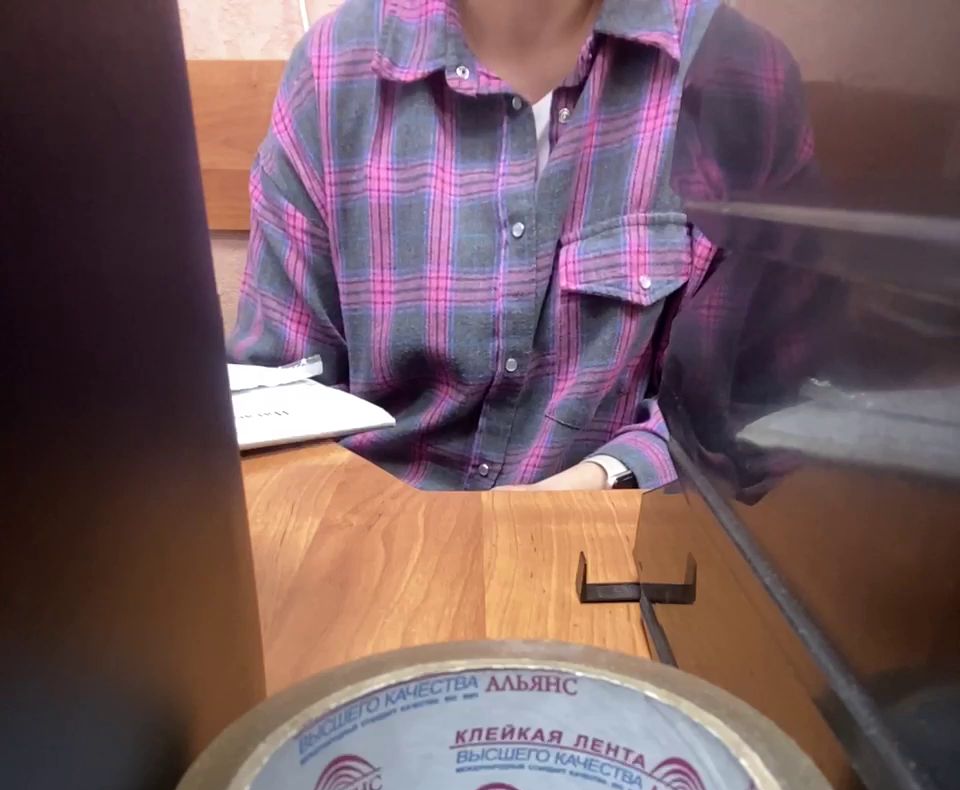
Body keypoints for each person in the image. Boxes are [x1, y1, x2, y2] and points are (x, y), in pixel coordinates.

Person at [230, 0, 814, 492]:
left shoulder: (734, 75)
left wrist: (604, 479)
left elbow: (756, 398)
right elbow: (281, 387)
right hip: (369, 535)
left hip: (618, 545)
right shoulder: (335, 70)